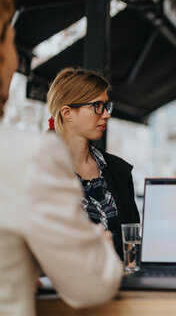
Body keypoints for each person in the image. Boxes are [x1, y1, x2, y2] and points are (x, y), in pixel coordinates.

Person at [0, 0, 122, 316]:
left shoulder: (117, 170)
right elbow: (91, 285)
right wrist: (98, 243)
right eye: (12, 42)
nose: (104, 115)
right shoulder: (29, 157)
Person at [46, 67, 140, 259]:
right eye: (97, 106)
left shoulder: (119, 171)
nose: (106, 114)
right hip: (62, 286)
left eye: (106, 106)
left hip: (121, 285)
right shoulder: (41, 170)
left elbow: (133, 242)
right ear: (67, 112)